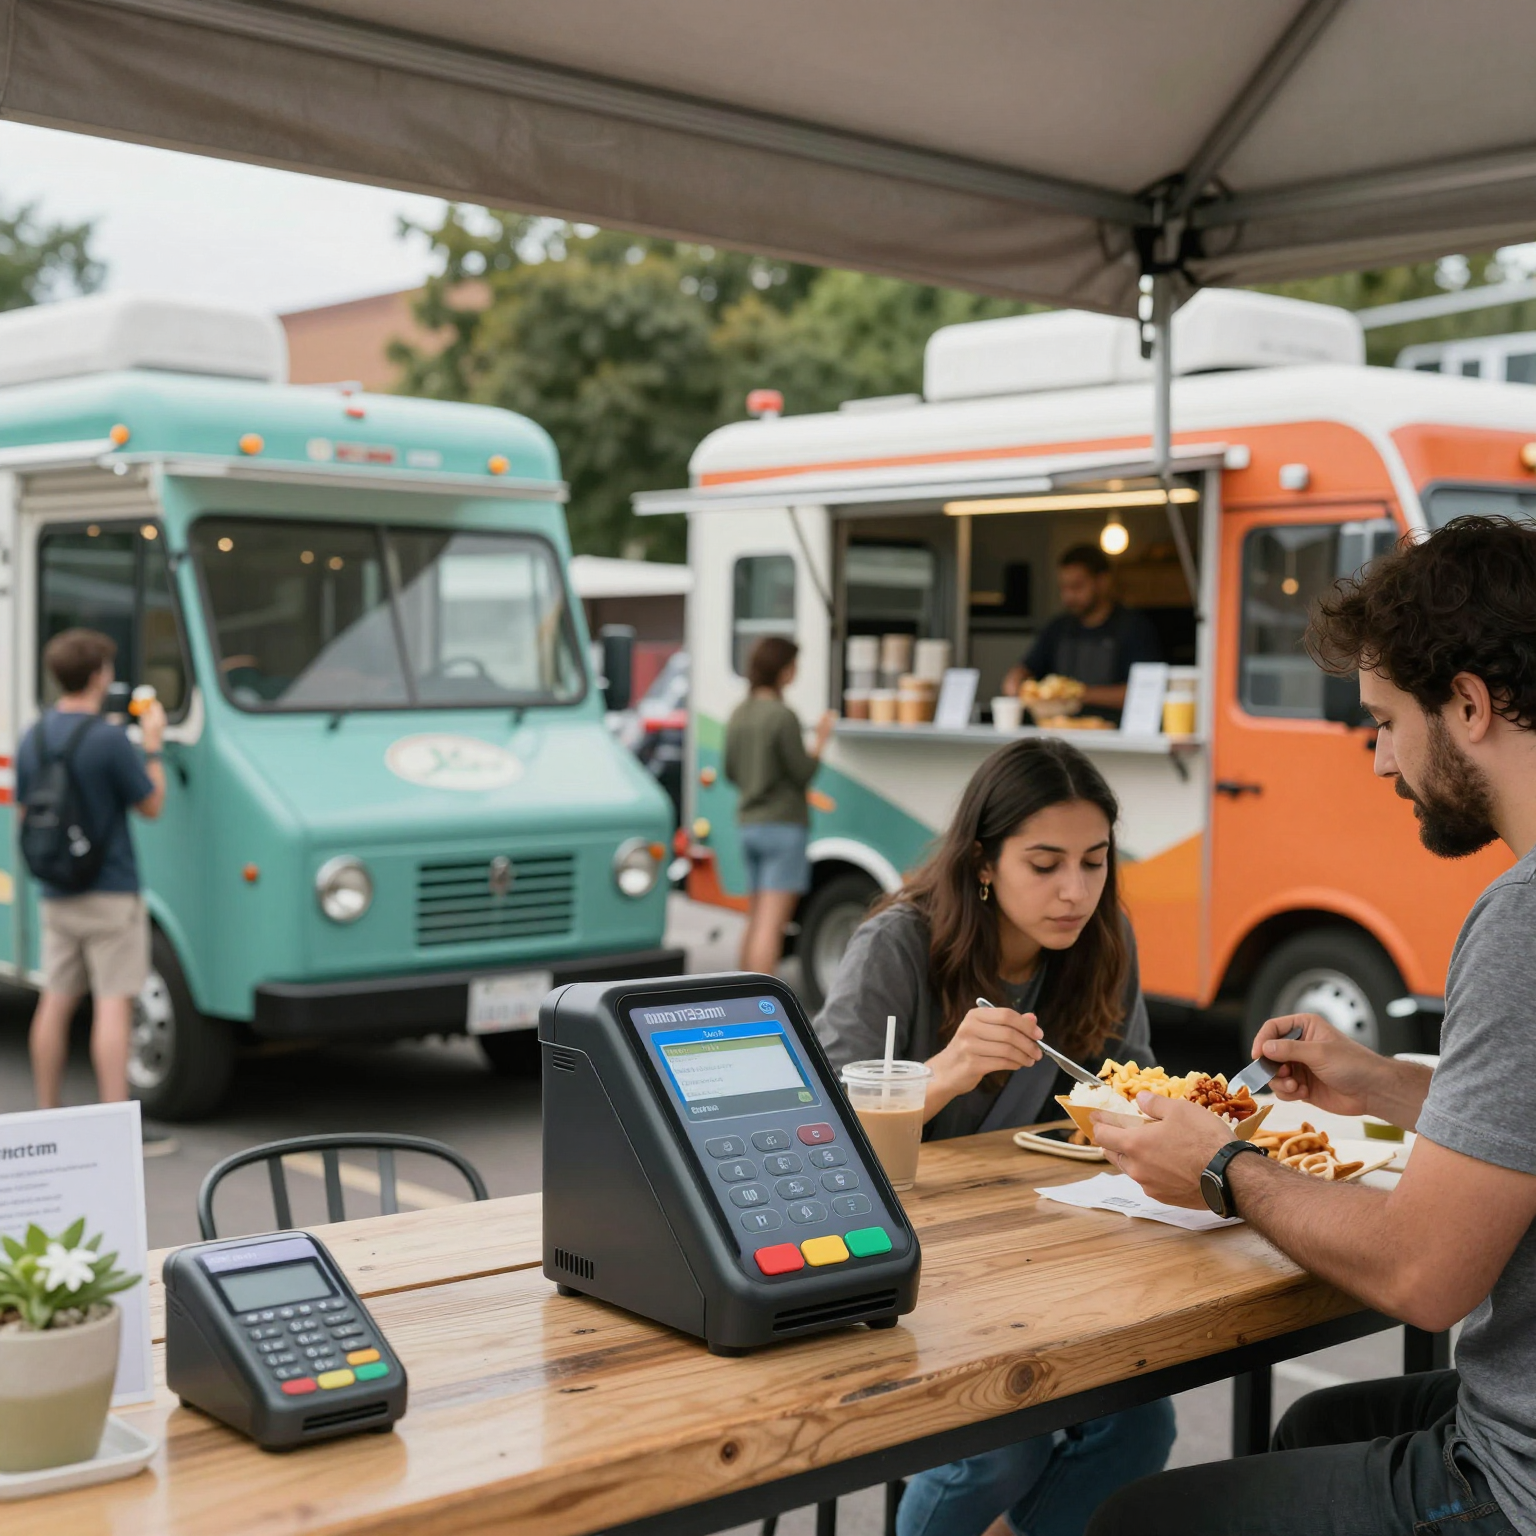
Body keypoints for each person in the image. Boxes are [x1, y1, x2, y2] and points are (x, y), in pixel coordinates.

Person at [1086, 515, 1536, 1536]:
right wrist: (1384, 1085)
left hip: (1519, 1485)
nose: (1382, 763)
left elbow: (1424, 1278)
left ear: (1468, 704)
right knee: (1316, 1428)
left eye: (1383, 721)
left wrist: (1222, 1166)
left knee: (1133, 1524)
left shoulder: (1524, 918)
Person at [816, 737, 1175, 1536]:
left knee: (1140, 1425)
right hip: (907, 1259)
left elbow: (1137, 1083)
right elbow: (816, 1130)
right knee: (999, 1449)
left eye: (1094, 861)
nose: (1075, 891)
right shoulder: (899, 946)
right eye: (1044, 864)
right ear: (984, 861)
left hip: (1042, 1250)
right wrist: (939, 1075)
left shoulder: (1105, 942)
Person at [16, 629, 167, 1114]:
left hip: (56, 892)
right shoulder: (108, 740)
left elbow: (25, 815)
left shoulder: (33, 736)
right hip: (110, 891)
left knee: (55, 1002)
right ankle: (112, 1122)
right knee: (112, 1004)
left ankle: (47, 1112)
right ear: (99, 674)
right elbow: (151, 805)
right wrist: (154, 746)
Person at [724, 636, 834, 975]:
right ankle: (760, 1008)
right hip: (783, 827)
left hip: (749, 825)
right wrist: (820, 740)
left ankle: (737, 1001)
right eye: (793, 665)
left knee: (755, 918)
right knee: (772, 926)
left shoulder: (740, 713)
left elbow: (730, 770)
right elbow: (802, 773)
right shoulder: (782, 716)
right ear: (783, 670)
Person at [1002, 545, 1162, 721]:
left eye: (1077, 587)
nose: (1068, 596)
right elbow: (1025, 669)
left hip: (1111, 733)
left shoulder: (1133, 627)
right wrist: (1016, 682)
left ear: (1103, 581)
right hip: (1059, 732)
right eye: (1063, 588)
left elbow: (1145, 691)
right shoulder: (1058, 628)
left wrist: (1078, 693)